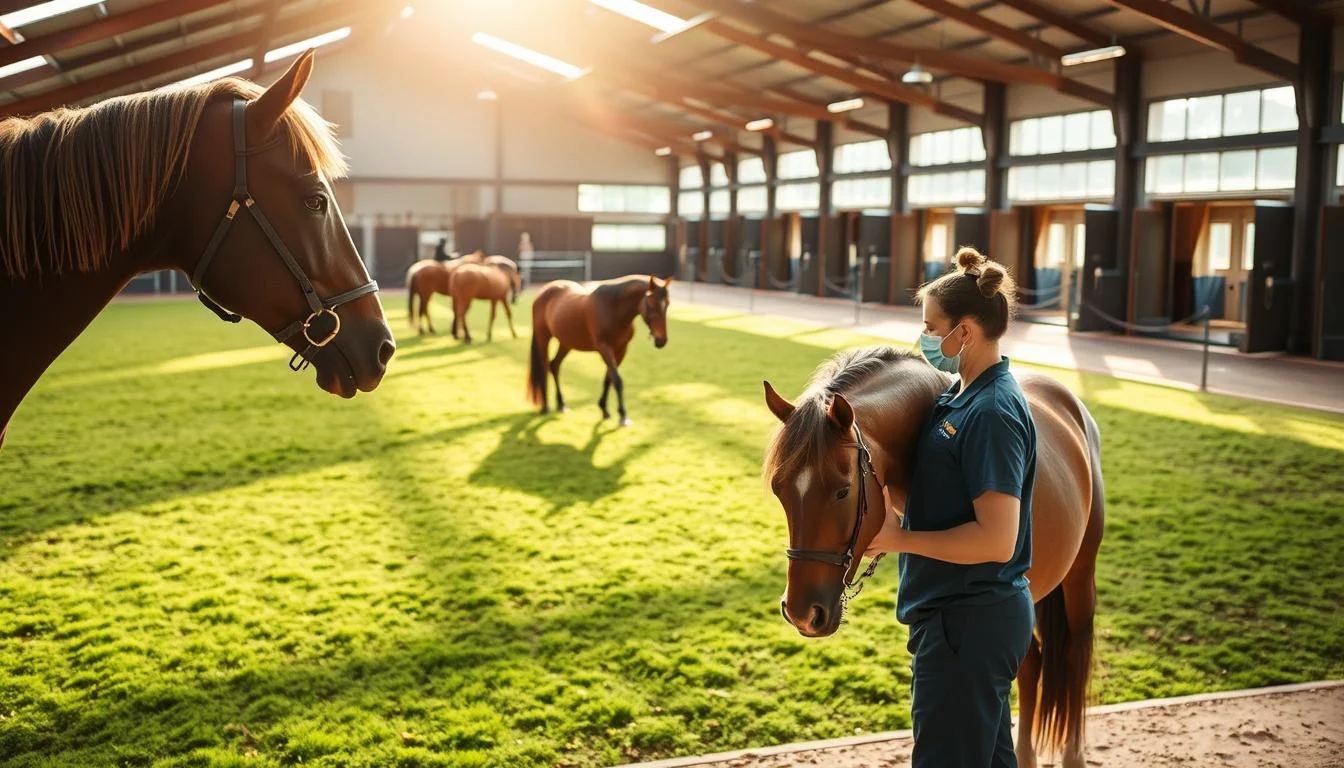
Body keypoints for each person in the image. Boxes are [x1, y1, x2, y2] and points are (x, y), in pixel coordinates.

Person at [864, 246, 1037, 768]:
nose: (924, 339)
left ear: (964, 331)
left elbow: (997, 540)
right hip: (959, 619)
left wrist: (899, 539)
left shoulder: (992, 412)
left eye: (931, 327)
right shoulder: (960, 395)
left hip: (970, 622)